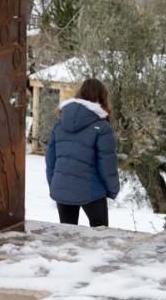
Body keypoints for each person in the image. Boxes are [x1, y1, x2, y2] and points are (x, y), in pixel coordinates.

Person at [45, 79, 120, 228]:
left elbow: (51, 160)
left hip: (63, 189)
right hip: (92, 192)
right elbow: (107, 164)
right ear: (102, 97)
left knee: (67, 238)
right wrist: (112, 189)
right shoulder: (102, 127)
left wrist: (55, 184)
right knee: (101, 237)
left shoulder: (59, 123)